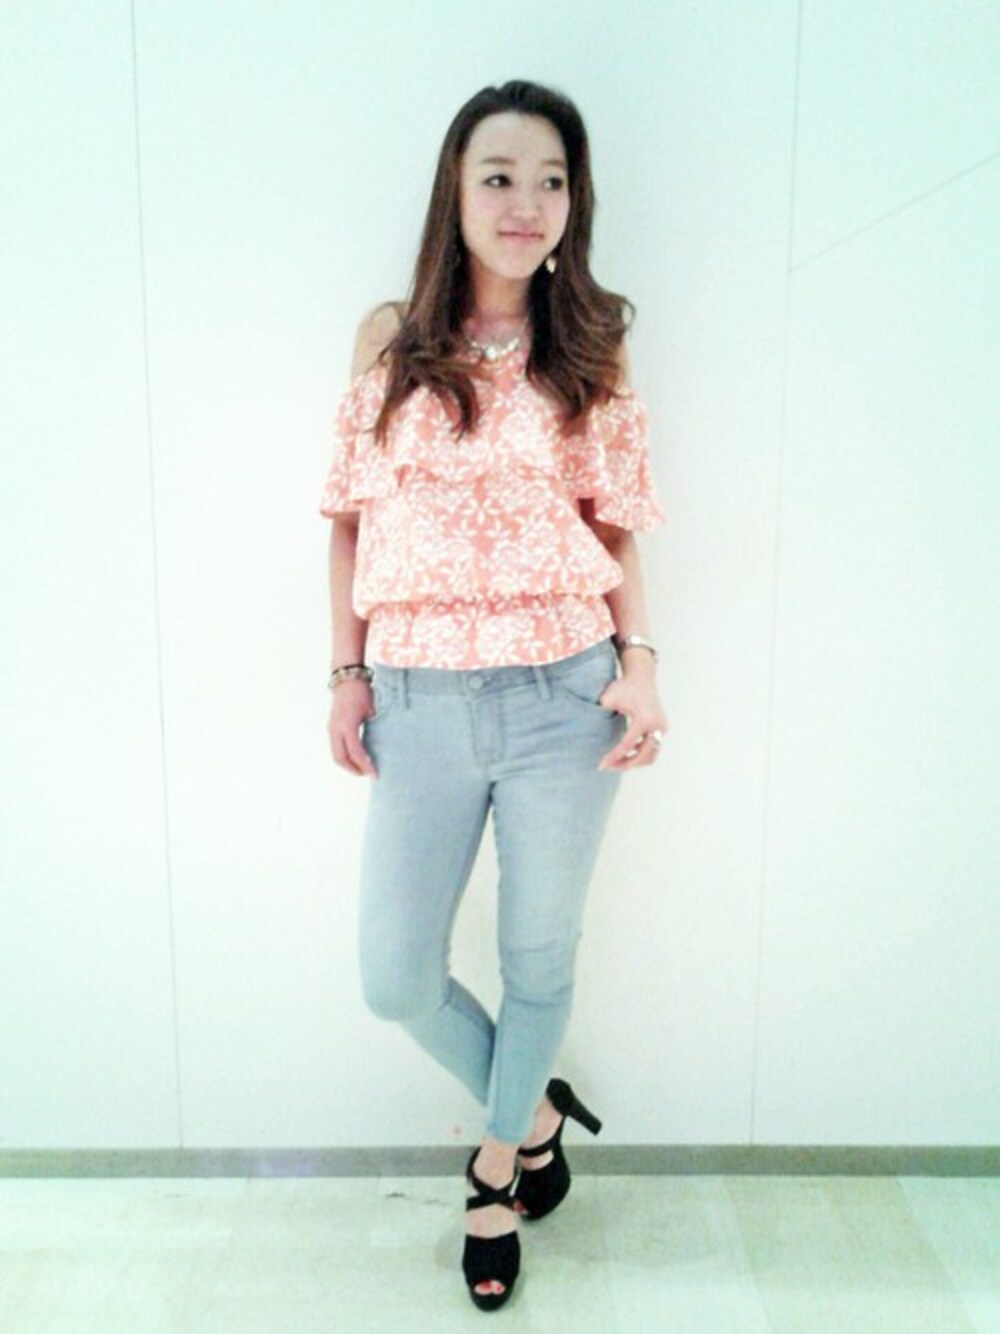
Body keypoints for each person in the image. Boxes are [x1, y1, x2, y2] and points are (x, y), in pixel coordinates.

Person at [319, 79, 668, 1312]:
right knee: (395, 974)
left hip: (563, 687)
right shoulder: (390, 338)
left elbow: (613, 528)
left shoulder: (592, 342)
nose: (526, 203)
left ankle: (491, 1168)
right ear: (455, 191)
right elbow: (347, 520)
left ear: (576, 201)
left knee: (535, 953)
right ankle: (532, 1115)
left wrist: (639, 664)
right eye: (499, 176)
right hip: (415, 692)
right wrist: (348, 670)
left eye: (551, 180)